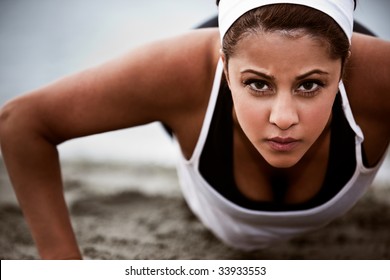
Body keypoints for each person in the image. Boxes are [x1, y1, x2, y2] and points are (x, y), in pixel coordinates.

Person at [0, 0, 389, 259]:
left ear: (346, 67)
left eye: (309, 85)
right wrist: (62, 264)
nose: (283, 117)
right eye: (258, 84)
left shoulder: (378, 79)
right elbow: (22, 122)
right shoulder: (182, 74)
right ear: (223, 65)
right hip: (200, 99)